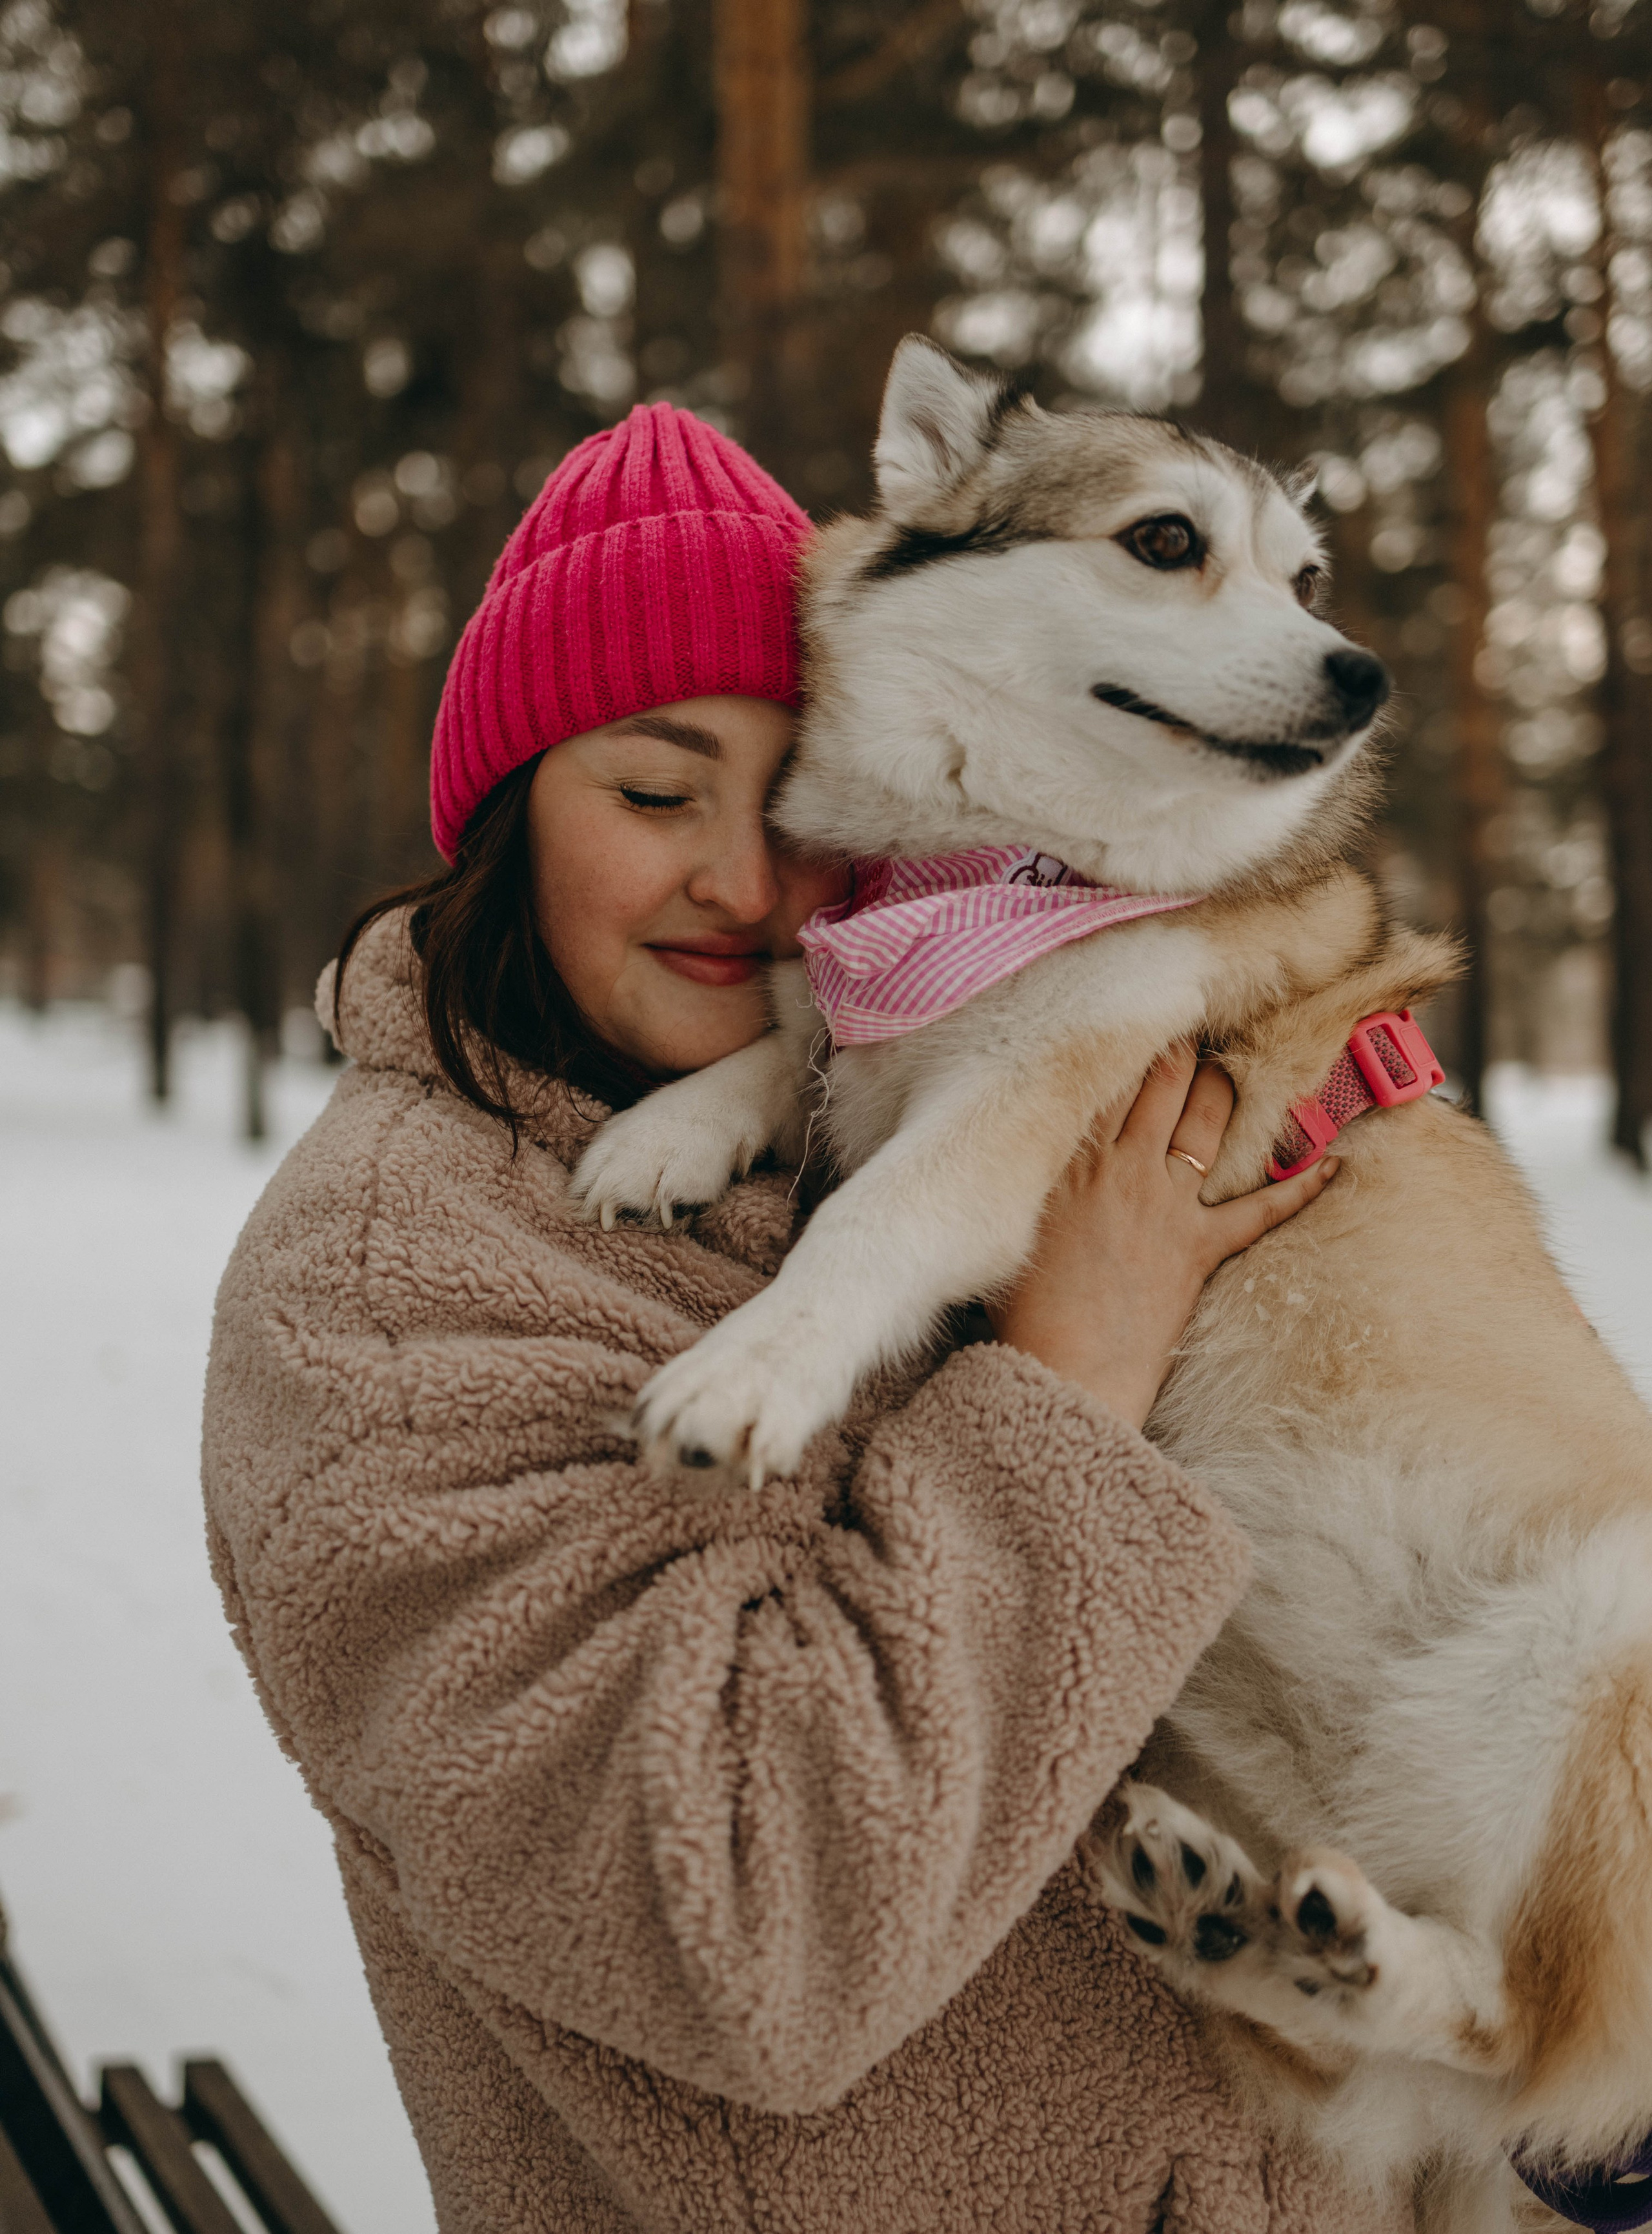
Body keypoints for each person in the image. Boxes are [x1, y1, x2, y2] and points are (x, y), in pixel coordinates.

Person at [203, 403, 1391, 2234]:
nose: (749, 886)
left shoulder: (889, 1108)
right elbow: (743, 1927)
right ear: (509, 819)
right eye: (657, 794)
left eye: (793, 802)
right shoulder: (389, 1284)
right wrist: (1068, 1381)